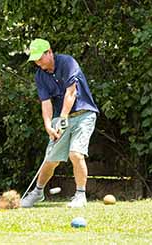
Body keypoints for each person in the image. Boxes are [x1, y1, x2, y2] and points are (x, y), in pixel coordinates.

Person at [22, 38, 99, 208]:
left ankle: (80, 195)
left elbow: (71, 93)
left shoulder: (68, 62)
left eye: (40, 58)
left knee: (76, 154)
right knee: (50, 160)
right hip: (61, 117)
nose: (37, 62)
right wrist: (49, 125)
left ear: (49, 52)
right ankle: (37, 193)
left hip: (83, 114)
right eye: (34, 59)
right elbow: (46, 102)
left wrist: (63, 117)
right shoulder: (40, 75)